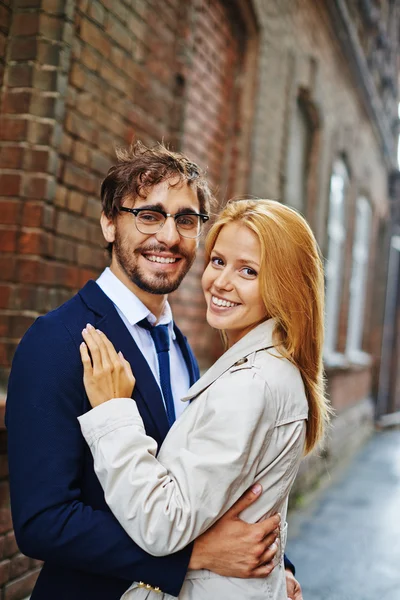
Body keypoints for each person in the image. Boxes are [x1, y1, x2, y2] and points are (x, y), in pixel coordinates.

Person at [5, 143, 301, 600]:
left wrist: (271, 564)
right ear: (109, 223)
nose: (168, 236)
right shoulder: (57, 340)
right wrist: (193, 557)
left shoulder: (180, 344)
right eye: (148, 215)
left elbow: (211, 479)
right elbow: (44, 523)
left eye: (185, 220)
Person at [78, 198, 331, 599]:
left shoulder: (252, 383)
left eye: (248, 271)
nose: (222, 282)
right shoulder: (262, 369)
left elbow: (163, 526)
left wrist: (113, 414)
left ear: (284, 285)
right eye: (218, 261)